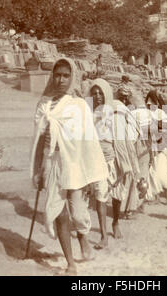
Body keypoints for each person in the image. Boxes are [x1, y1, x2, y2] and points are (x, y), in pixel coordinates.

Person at [29, 58, 108, 275]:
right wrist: (37, 170)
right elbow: (37, 140)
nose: (61, 79)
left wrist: (90, 175)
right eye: (57, 74)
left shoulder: (79, 105)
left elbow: (88, 141)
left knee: (79, 212)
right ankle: (71, 263)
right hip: (52, 162)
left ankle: (83, 236)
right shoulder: (44, 104)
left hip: (74, 163)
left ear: (72, 76)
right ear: (52, 76)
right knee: (58, 212)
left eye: (65, 75)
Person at [88, 78, 137, 247]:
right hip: (97, 159)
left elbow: (126, 136)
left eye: (100, 92)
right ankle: (103, 236)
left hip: (114, 159)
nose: (98, 96)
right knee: (101, 196)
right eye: (94, 93)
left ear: (106, 93)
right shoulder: (90, 113)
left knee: (117, 196)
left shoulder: (116, 111)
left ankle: (115, 222)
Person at [113, 85, 142, 218]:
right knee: (127, 179)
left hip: (124, 147)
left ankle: (125, 209)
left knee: (124, 180)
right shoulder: (121, 110)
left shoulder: (120, 109)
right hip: (126, 148)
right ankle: (127, 210)